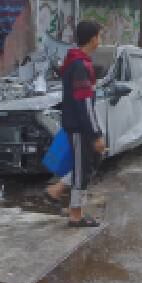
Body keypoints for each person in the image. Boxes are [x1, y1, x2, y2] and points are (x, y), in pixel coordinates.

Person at [59, 20, 106, 228]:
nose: (100, 40)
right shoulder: (79, 65)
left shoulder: (78, 61)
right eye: (99, 36)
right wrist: (95, 134)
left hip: (78, 125)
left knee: (84, 167)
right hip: (79, 127)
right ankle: (75, 216)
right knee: (81, 170)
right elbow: (84, 102)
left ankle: (74, 209)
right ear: (93, 38)